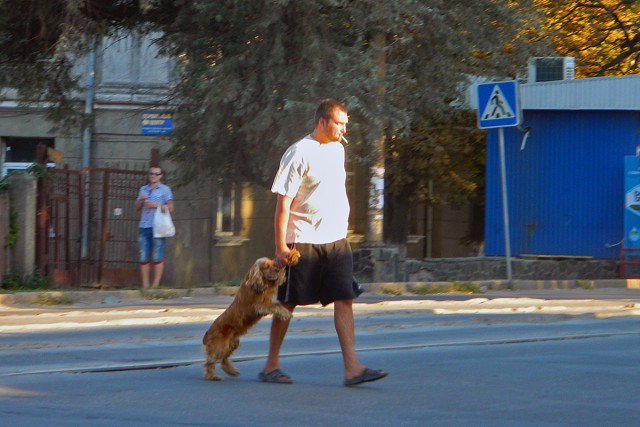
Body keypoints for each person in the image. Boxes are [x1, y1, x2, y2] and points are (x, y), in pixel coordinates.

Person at [259, 99, 388, 386]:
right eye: (339, 123)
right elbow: (283, 204)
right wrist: (281, 246)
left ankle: (352, 368)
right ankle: (270, 365)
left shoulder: (338, 149)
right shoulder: (298, 153)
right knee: (288, 302)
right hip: (303, 241)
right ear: (322, 122)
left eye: (345, 123)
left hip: (336, 241)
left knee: (344, 298)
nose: (344, 128)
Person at [135, 166, 174, 289]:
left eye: (156, 174)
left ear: (161, 175)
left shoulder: (165, 190)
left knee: (157, 256)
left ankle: (155, 286)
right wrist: (141, 200)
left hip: (158, 228)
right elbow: (136, 208)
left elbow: (171, 208)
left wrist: (156, 205)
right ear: (148, 175)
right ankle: (145, 286)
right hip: (144, 226)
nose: (153, 176)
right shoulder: (143, 189)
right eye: (151, 173)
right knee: (143, 256)